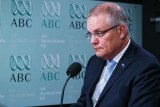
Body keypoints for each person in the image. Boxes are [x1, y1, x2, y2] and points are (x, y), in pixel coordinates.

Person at [70, 2, 160, 107]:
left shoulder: (146, 67)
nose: (93, 41)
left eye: (99, 33)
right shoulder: (94, 61)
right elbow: (83, 103)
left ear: (121, 31)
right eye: (90, 34)